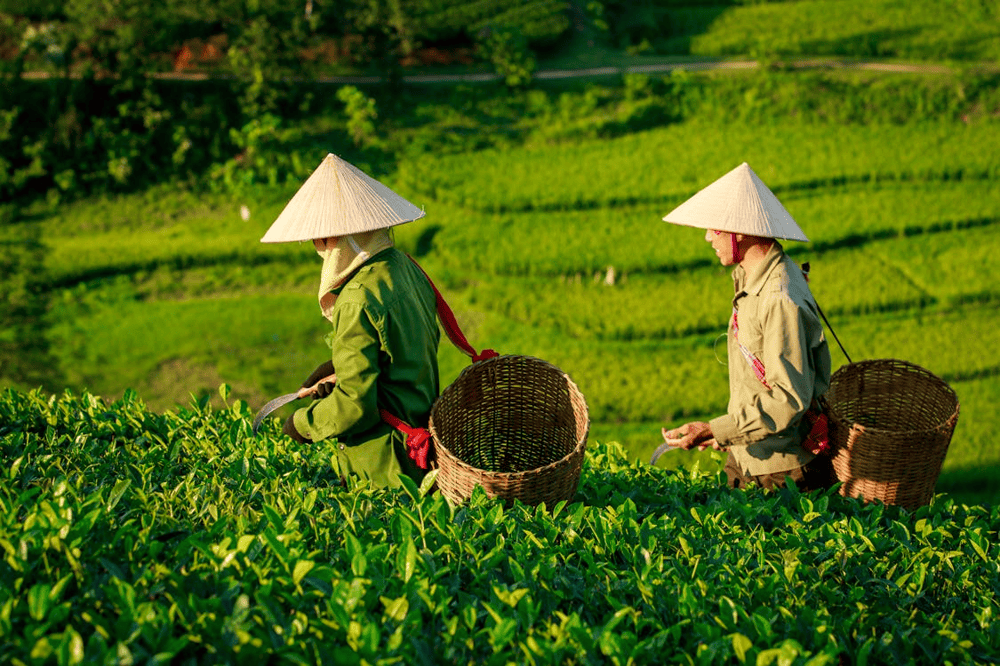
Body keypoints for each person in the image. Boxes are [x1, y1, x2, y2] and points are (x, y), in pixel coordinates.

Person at [259, 153, 440, 488]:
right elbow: (399, 353)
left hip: (384, 467)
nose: (316, 246)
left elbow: (357, 406)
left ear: (339, 236)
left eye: (319, 238)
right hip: (422, 447)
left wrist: (302, 424)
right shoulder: (406, 268)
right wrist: (339, 365)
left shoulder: (356, 297)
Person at [659, 162, 834, 492]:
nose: (708, 237)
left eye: (715, 228)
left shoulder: (779, 298)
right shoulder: (754, 280)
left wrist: (716, 429)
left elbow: (787, 400)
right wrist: (726, 434)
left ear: (739, 230)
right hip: (747, 455)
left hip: (778, 473)